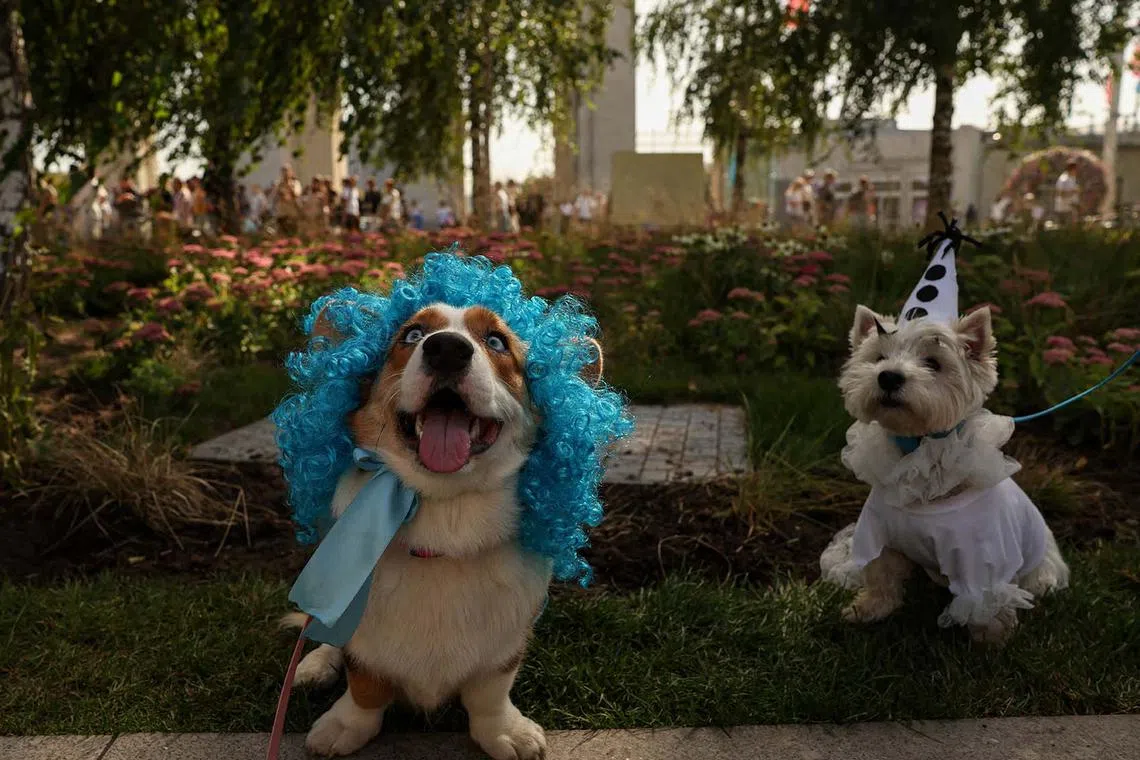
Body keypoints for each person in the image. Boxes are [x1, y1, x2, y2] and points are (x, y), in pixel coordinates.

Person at [1054, 158, 1080, 224]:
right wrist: (1073, 192)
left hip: (1070, 208)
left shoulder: (1072, 178)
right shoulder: (1063, 179)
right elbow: (1059, 194)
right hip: (1064, 209)